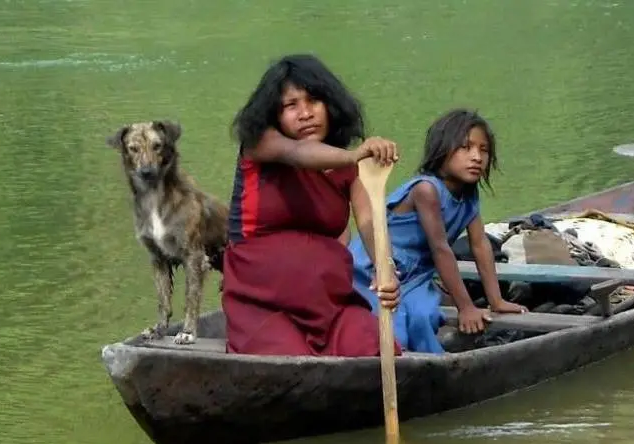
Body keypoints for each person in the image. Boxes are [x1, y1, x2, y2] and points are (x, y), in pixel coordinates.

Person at [222, 53, 403, 357]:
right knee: (290, 363)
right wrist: (355, 155)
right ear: (275, 115)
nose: (305, 113)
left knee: (374, 347)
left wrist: (385, 268)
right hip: (263, 304)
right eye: (291, 105)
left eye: (314, 101)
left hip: (329, 303)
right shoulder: (262, 144)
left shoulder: (351, 169)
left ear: (330, 105)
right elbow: (298, 153)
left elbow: (369, 222)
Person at [348, 108, 528, 354]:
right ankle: (393, 372)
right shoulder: (426, 190)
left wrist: (495, 300)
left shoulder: (469, 193)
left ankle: (429, 371)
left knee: (424, 316)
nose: (476, 157)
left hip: (417, 273)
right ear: (442, 151)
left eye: (483, 150)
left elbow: (480, 245)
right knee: (393, 327)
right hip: (377, 268)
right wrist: (465, 307)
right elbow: (440, 249)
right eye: (465, 148)